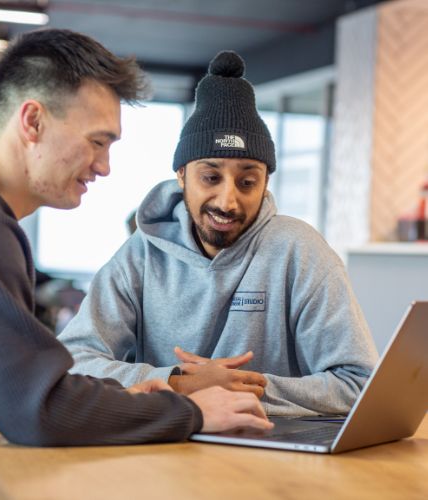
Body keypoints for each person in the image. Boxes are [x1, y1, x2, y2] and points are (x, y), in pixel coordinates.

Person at [0, 31, 272, 500]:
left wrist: (120, 402)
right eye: (97, 142)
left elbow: (22, 383)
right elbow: (36, 410)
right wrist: (192, 413)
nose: (105, 166)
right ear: (33, 121)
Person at [58, 50, 379, 416]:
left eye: (247, 181)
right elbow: (72, 360)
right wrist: (178, 383)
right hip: (168, 443)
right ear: (181, 175)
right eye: (210, 177)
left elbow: (358, 384)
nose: (227, 201)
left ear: (266, 182)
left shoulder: (300, 252)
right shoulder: (142, 254)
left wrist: (243, 389)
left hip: (272, 453)